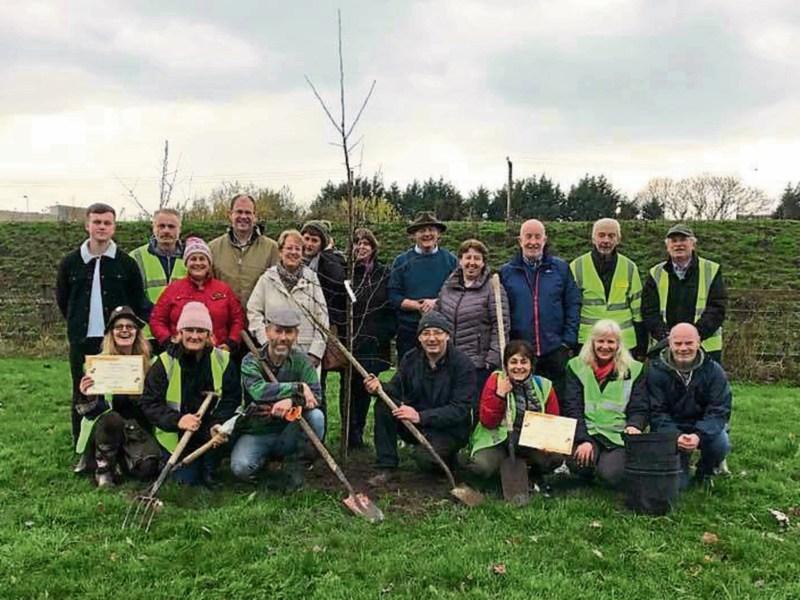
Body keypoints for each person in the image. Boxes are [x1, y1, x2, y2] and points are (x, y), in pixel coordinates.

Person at [56, 202, 145, 461]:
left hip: (115, 341)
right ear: (87, 225)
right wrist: (77, 325)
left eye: (107, 223)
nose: (102, 227)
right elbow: (64, 299)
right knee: (83, 391)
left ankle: (121, 447)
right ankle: (83, 446)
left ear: (114, 227)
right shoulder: (70, 262)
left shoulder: (126, 263)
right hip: (83, 340)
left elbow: (136, 301)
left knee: (119, 393)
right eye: (97, 222)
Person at [363, 311, 474, 483]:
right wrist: (379, 387)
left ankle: (449, 461)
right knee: (384, 405)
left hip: (449, 429)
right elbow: (396, 388)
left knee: (426, 460)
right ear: (420, 338)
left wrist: (421, 416)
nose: (432, 339)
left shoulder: (462, 364)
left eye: (437, 333)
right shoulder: (411, 358)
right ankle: (387, 466)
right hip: (415, 423)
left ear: (447, 336)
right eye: (426, 334)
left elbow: (460, 409)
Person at [139, 302, 241, 486]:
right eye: (189, 330)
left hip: (210, 432)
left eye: (200, 331)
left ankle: (211, 463)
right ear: (180, 333)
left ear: (209, 334)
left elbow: (232, 399)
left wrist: (216, 424)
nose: (195, 336)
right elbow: (149, 404)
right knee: (185, 481)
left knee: (209, 473)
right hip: (175, 435)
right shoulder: (164, 363)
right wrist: (177, 420)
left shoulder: (223, 360)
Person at [230, 309, 325, 489]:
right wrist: (297, 388)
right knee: (241, 468)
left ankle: (296, 464)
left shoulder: (303, 362)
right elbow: (259, 391)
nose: (283, 338)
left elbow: (316, 397)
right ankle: (268, 467)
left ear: (296, 334)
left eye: (289, 332)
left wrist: (292, 401)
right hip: (257, 430)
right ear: (267, 332)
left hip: (289, 430)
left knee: (317, 417)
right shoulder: (251, 360)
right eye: (278, 331)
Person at [74, 306, 160, 488]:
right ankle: (103, 468)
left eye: (130, 326)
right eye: (119, 327)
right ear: (111, 333)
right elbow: (90, 413)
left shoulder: (151, 364)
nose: (124, 330)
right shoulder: (97, 365)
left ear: (137, 332)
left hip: (136, 427)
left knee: (148, 469)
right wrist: (89, 396)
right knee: (111, 419)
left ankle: (123, 461)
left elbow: (154, 406)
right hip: (107, 429)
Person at [561, 320, 648, 488]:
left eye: (611, 342)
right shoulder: (576, 366)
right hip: (588, 432)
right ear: (592, 342)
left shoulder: (635, 369)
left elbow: (640, 407)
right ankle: (591, 466)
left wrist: (635, 425)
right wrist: (583, 440)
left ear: (619, 344)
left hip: (617, 436)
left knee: (611, 475)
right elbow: (573, 408)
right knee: (577, 463)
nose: (605, 346)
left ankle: (611, 464)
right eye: (600, 341)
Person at [499, 219, 580, 398]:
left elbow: (573, 304)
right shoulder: (507, 272)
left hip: (554, 350)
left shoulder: (561, 269)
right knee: (524, 402)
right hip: (521, 353)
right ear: (520, 240)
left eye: (537, 237)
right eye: (528, 237)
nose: (533, 242)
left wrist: (568, 341)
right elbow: (502, 311)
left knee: (555, 401)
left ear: (545, 240)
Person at [646, 322, 732, 489]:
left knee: (721, 443)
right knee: (679, 486)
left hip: (702, 428)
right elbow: (656, 412)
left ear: (698, 342)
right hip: (672, 430)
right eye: (678, 343)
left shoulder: (714, 371)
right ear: (669, 344)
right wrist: (676, 436)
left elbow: (720, 410)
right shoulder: (655, 371)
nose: (683, 348)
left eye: (689, 343)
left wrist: (699, 435)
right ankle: (680, 465)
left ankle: (705, 471)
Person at [468, 340, 562, 485]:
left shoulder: (544, 386)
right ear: (506, 365)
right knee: (481, 467)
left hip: (530, 441)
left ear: (531, 365)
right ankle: (499, 467)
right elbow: (488, 422)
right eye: (513, 362)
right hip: (498, 440)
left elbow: (552, 423)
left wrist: (547, 443)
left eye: (524, 362)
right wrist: (500, 395)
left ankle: (532, 472)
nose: (518, 367)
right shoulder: (496, 380)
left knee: (555, 458)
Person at [437, 238, 509, 412]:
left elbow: (501, 326)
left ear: (483, 262)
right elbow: (438, 318)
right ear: (460, 260)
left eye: (477, 258)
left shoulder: (493, 288)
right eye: (467, 257)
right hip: (449, 361)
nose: (472, 262)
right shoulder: (448, 286)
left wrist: (492, 359)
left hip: (477, 364)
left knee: (475, 409)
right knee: (451, 407)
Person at [641, 224, 727, 363]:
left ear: (693, 244)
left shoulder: (711, 269)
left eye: (683, 240)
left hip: (705, 347)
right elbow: (649, 311)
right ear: (667, 246)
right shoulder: (655, 273)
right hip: (665, 347)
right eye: (674, 241)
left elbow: (717, 308)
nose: (678, 244)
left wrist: (694, 336)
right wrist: (666, 337)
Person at [247, 229, 329, 368]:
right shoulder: (267, 279)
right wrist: (266, 342)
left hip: (306, 354)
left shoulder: (311, 279)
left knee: (305, 383)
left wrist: (316, 352)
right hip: (275, 353)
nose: (293, 252)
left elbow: (322, 318)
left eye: (297, 249)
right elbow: (253, 312)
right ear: (280, 251)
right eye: (289, 248)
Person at [149, 236, 244, 353]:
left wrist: (231, 343)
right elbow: (157, 320)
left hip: (217, 352)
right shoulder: (173, 289)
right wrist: (168, 341)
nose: (198, 263)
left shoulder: (223, 289)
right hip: (181, 353)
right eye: (193, 259)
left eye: (202, 259)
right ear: (186, 263)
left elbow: (237, 319)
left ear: (209, 263)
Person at [347, 228, 396, 448]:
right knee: (349, 387)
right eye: (357, 243)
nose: (361, 247)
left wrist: (386, 332)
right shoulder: (348, 273)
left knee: (367, 386)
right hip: (352, 340)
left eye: (366, 243)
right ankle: (350, 433)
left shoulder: (384, 273)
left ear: (373, 247)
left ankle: (360, 430)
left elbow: (391, 303)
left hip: (375, 340)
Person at [569, 218, 645, 357]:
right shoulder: (577, 266)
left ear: (618, 239)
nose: (606, 240)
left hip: (623, 341)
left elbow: (637, 308)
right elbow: (570, 307)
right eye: (601, 235)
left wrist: (641, 342)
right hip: (588, 341)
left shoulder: (629, 267)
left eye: (611, 236)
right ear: (593, 238)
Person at [387, 211, 458, 361]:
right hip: (409, 331)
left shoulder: (451, 261)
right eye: (422, 230)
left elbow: (457, 293)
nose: (427, 234)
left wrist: (435, 303)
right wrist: (417, 306)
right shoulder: (401, 262)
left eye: (431, 230)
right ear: (414, 235)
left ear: (438, 234)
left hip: (442, 330)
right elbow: (393, 295)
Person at [208, 193, 280, 311]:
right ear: (230, 215)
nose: (243, 216)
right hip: (225, 319)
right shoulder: (213, 248)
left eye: (248, 212)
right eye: (239, 212)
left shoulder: (272, 248)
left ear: (255, 216)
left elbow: (277, 289)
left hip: (259, 319)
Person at [128, 208, 186, 345]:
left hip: (183, 334)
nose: (166, 230)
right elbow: (133, 296)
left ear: (180, 229)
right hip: (147, 335)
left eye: (171, 226)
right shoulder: (136, 256)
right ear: (153, 227)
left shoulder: (192, 257)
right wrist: (158, 319)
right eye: (161, 226)